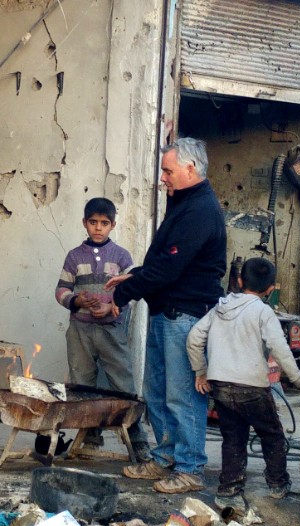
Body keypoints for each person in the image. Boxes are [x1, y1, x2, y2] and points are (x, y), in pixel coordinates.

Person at [106, 137, 227, 494]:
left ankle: (190, 468)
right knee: (155, 391)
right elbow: (168, 260)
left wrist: (124, 293)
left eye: (168, 170)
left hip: (185, 316)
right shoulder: (184, 203)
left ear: (190, 169)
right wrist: (136, 274)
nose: (163, 178)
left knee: (182, 395)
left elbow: (171, 269)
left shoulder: (200, 209)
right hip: (166, 311)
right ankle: (165, 459)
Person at [186, 257, 300, 510]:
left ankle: (228, 491)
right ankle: (277, 485)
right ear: (270, 289)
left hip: (221, 386)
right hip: (252, 388)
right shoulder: (263, 312)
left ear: (239, 281)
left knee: (233, 438)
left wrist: (200, 371)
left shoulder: (218, 309)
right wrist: (299, 379)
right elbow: (279, 348)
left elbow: (193, 338)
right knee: (272, 435)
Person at [54, 197, 151, 462]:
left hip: (112, 330)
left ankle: (136, 436)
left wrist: (111, 305)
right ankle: (90, 437)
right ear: (85, 223)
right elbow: (61, 289)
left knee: (122, 382)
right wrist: (77, 301)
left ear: (113, 225)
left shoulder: (121, 256)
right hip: (81, 331)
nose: (98, 228)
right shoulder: (74, 257)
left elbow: (130, 290)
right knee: (83, 383)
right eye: (93, 222)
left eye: (104, 223)